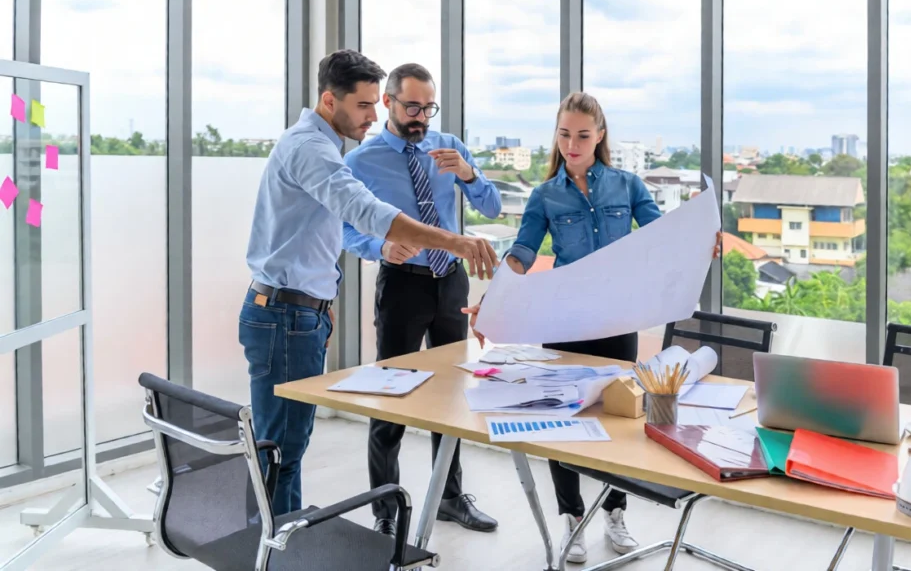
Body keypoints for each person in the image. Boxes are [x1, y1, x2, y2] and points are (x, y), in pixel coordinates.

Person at [462, 91, 721, 565]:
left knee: (617, 420)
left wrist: (706, 239)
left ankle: (614, 512)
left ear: (600, 135)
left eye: (583, 135)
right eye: (564, 134)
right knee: (563, 423)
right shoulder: (545, 194)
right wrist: (493, 299)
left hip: (616, 320)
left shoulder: (627, 184)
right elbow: (521, 252)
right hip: (562, 322)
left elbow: (662, 239)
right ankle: (572, 519)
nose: (572, 144)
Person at [241, 50, 498, 517]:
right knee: (285, 444)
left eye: (428, 108)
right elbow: (362, 216)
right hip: (352, 296)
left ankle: (446, 498)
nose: (372, 116)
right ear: (328, 100)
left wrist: (321, 297)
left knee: (287, 446)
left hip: (321, 306)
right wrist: (438, 242)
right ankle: (292, 540)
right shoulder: (321, 152)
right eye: (365, 106)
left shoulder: (438, 146)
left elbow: (316, 232)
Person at [343, 63, 501, 535]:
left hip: (450, 280)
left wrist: (470, 175)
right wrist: (380, 246)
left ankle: (450, 497)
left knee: (450, 392)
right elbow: (344, 230)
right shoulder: (361, 162)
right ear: (388, 102)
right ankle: (384, 511)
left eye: (428, 107)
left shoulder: (449, 147)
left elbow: (491, 206)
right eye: (412, 106)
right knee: (388, 395)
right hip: (402, 284)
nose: (421, 117)